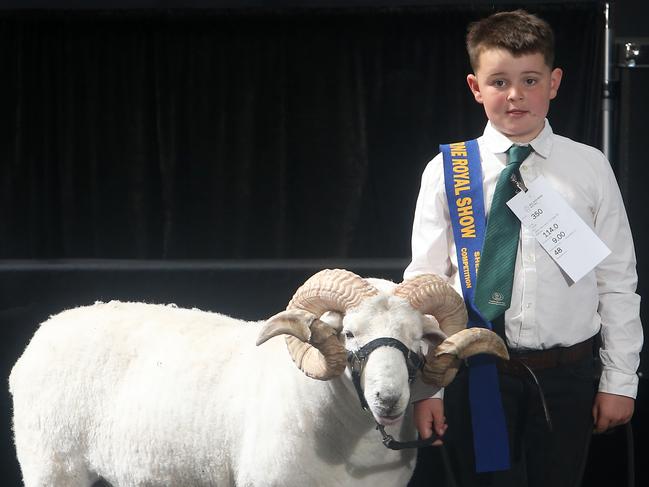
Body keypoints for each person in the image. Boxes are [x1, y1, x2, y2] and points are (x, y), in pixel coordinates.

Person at [404, 9, 643, 487]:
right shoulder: (447, 170)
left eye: (530, 79)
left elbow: (617, 280)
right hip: (478, 377)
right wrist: (425, 389)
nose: (515, 95)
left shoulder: (590, 167)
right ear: (476, 87)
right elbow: (425, 289)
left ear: (554, 82)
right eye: (499, 82)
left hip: (568, 377)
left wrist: (620, 380)